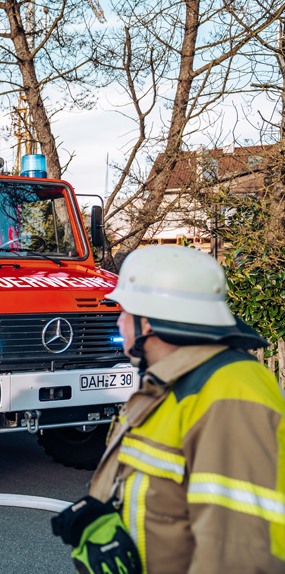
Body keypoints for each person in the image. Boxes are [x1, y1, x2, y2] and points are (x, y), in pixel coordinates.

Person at [51, 245, 285, 574]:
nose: (119, 323)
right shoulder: (167, 384)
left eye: (125, 312)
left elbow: (240, 553)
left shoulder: (231, 395)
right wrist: (105, 510)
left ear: (149, 322)